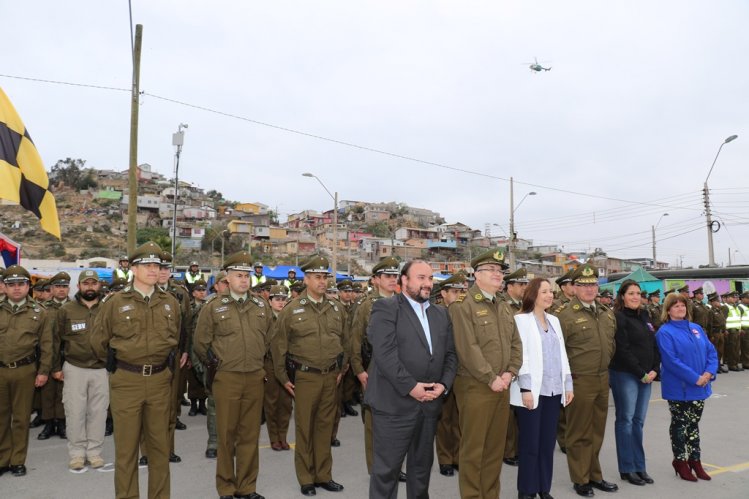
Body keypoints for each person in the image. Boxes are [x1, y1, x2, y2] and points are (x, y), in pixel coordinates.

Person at [90, 242, 181, 499]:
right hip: (127, 380)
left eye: (157, 266)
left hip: (160, 381)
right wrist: (120, 364)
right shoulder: (115, 302)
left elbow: (175, 338)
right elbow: (98, 342)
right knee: (127, 449)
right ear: (133, 268)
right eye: (148, 265)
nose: (154, 270)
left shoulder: (170, 303)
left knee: (160, 448)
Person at [366, 259, 457, 499]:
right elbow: (385, 355)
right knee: (386, 473)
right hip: (393, 406)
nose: (427, 283)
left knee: (421, 472)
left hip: (428, 407)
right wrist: (411, 387)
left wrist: (443, 385)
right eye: (420, 278)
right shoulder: (386, 308)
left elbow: (450, 355)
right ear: (403, 280)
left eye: (430, 278)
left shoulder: (440, 314)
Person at [194, 251, 272, 499]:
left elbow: (270, 339)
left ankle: (247, 487)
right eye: (238, 275)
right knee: (226, 436)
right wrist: (217, 363)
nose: (244, 280)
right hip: (227, 378)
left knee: (250, 435)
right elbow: (200, 343)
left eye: (247, 275)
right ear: (227, 278)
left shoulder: (261, 306)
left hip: (254, 377)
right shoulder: (214, 307)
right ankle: (226, 487)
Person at [449, 249, 522, 499]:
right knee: (473, 449)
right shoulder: (463, 306)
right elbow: (467, 349)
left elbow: (516, 344)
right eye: (491, 270)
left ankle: (490, 494)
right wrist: (491, 378)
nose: (497, 274)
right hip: (476, 388)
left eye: (500, 271)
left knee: (494, 449)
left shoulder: (503, 305)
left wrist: (510, 373)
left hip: (501, 386)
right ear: (476, 274)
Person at [272, 255, 347, 496]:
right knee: (304, 429)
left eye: (325, 277)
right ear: (306, 279)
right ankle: (306, 478)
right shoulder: (292, 310)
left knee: (325, 428)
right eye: (317, 277)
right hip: (304, 377)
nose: (322, 282)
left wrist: (341, 370)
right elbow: (278, 346)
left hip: (330, 377)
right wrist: (283, 378)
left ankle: (323, 475)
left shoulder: (337, 308)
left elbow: (346, 341)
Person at [556, 263, 618, 497]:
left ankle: (595, 474)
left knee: (596, 431)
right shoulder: (564, 315)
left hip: (602, 379)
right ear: (574, 288)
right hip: (579, 380)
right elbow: (557, 351)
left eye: (593, 284)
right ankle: (580, 478)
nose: (590, 289)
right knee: (579, 432)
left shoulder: (605, 313)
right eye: (583, 285)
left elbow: (611, 345)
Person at [511, 277, 573, 499]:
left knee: (547, 443)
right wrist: (525, 388)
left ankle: (543, 488)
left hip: (554, 390)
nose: (549, 296)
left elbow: (562, 355)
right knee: (530, 443)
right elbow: (522, 356)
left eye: (551, 292)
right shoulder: (521, 320)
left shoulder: (554, 321)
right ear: (533, 294)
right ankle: (526, 490)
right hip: (532, 391)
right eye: (544, 291)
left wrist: (567, 384)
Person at [656, 292, 718, 482]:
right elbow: (671, 361)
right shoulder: (664, 332)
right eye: (675, 306)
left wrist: (708, 373)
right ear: (668, 310)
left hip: (700, 387)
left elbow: (711, 351)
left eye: (682, 305)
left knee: (693, 425)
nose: (680, 308)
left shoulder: (696, 328)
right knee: (680, 425)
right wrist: (695, 378)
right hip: (680, 389)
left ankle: (695, 461)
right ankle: (680, 461)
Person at [52, 270, 108, 471]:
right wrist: (56, 367)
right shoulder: (66, 310)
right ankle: (76, 454)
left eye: (93, 283)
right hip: (74, 368)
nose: (90, 287)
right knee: (75, 412)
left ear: (99, 286)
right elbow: (56, 340)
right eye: (86, 283)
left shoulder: (108, 308)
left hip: (102, 370)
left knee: (98, 413)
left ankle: (94, 452)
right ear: (79, 286)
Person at [0, 265, 53, 477]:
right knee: (1, 418)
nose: (16, 289)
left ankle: (17, 460)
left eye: (20, 284)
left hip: (25, 371)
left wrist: (43, 371)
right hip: (0, 371)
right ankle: (3, 459)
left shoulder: (40, 312)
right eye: (11, 284)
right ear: (3, 287)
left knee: (21, 418)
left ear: (28, 286)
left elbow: (47, 345)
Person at [608, 280, 659, 486]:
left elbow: (653, 344)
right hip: (625, 375)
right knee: (626, 421)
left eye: (638, 293)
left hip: (647, 376)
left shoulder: (644, 316)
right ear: (622, 296)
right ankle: (627, 468)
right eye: (631, 293)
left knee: (638, 422)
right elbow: (623, 349)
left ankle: (640, 466)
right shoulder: (618, 317)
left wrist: (655, 368)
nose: (636, 297)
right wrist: (641, 373)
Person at [434, 272, 467, 477]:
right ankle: (445, 459)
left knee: (459, 418)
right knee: (444, 419)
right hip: (443, 372)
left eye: (461, 291)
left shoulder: (463, 311)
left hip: (462, 371)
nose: (458, 295)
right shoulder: (436, 313)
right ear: (444, 293)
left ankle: (457, 457)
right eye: (454, 291)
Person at [501, 267, 529, 468]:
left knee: (521, 409)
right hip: (508, 363)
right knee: (509, 413)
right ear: (510, 286)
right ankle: (509, 451)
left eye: (525, 284)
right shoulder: (503, 306)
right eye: (520, 284)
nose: (524, 288)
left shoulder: (525, 306)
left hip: (523, 362)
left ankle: (519, 448)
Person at [38, 271, 71, 441]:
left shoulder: (74, 307)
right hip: (48, 355)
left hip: (68, 356)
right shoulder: (43, 308)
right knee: (48, 391)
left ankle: (62, 422)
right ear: (51, 288)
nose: (61, 290)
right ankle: (49, 423)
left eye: (64, 286)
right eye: (58, 286)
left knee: (63, 392)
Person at [264, 284, 293, 451]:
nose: (281, 302)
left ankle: (283, 436)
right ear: (270, 301)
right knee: (271, 402)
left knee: (286, 403)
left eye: (284, 299)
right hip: (269, 363)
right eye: (277, 299)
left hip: (287, 364)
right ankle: (274, 437)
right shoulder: (265, 319)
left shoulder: (289, 318)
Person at [723, 291, 743, 371]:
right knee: (731, 348)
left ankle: (735, 363)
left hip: (737, 330)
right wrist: (725, 330)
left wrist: (740, 328)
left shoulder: (736, 307)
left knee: (736, 348)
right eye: (733, 297)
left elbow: (738, 319)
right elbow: (723, 319)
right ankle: (731, 365)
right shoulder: (725, 307)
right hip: (730, 331)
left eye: (735, 297)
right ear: (728, 298)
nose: (735, 299)